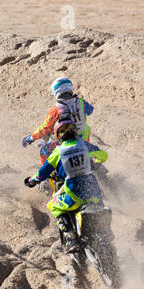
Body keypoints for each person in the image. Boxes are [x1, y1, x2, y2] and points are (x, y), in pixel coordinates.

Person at [24, 118, 108, 254]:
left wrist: (32, 181)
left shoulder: (58, 151)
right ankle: (106, 232)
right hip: (93, 192)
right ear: (75, 131)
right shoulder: (84, 145)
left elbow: (42, 173)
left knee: (52, 205)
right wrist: (93, 159)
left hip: (74, 195)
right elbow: (104, 155)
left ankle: (70, 238)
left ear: (57, 135)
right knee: (101, 209)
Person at [22, 77, 95, 165]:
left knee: (43, 151)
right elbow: (90, 110)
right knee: (86, 129)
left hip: (65, 143)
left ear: (56, 91)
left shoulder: (56, 109)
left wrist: (31, 138)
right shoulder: (81, 102)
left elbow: (45, 129)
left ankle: (47, 176)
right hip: (83, 140)